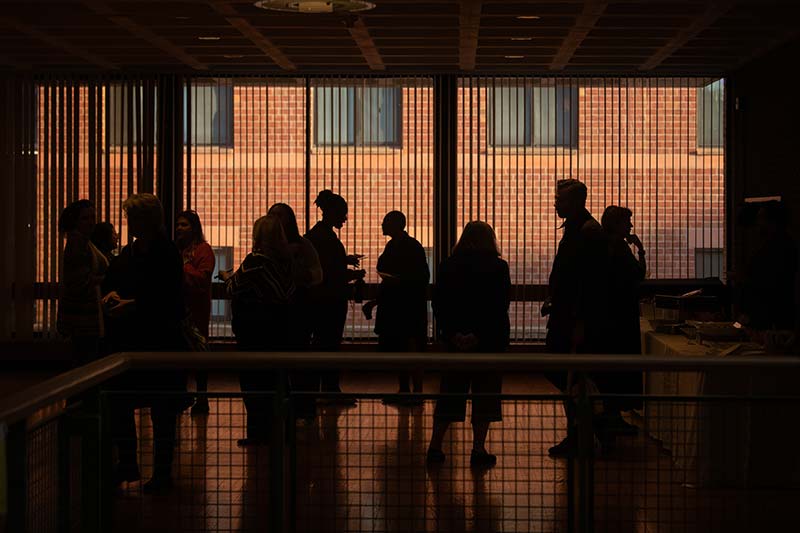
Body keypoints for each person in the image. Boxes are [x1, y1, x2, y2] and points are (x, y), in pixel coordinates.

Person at [102, 193, 188, 493]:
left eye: (133, 217)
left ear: (147, 220)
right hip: (138, 341)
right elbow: (113, 282)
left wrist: (131, 304)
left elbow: (168, 299)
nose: (130, 222)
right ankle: (131, 465)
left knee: (161, 412)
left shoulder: (162, 254)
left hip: (156, 342)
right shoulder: (137, 252)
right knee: (126, 405)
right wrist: (111, 296)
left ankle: (157, 472)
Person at [427, 221, 510, 469]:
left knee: (449, 394)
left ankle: (435, 446)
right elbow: (498, 306)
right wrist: (479, 336)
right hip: (488, 344)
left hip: (455, 343)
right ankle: (478, 449)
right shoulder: (498, 267)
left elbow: (440, 304)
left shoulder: (448, 266)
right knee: (485, 396)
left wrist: (453, 334)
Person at [542, 179, 610, 457]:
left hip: (575, 320)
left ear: (577, 201)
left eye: (561, 199)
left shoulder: (586, 232)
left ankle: (584, 434)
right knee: (571, 377)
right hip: (568, 316)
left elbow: (588, 283)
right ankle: (584, 433)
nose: (556, 203)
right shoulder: (580, 228)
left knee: (574, 377)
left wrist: (579, 321)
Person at [224, 215, 295, 446]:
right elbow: (286, 292)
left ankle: (257, 432)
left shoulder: (255, 262)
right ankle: (281, 430)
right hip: (280, 331)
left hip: (252, 334)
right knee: (278, 383)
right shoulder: (287, 261)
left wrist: (227, 277)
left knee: (253, 385)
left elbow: (233, 287)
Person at [362, 211, 429, 405]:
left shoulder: (407, 247)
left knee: (409, 347)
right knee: (404, 347)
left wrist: (398, 282)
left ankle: (414, 391)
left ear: (396, 225)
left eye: (385, 222)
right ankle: (407, 390)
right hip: (404, 305)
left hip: (407, 306)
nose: (382, 225)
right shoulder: (403, 246)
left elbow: (421, 277)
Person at [305, 190, 365, 405]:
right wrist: (353, 274)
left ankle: (322, 389)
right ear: (332, 212)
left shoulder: (317, 236)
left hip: (320, 301)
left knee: (323, 344)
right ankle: (330, 389)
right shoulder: (325, 238)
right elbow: (329, 272)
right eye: (343, 213)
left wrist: (343, 260)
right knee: (329, 344)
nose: (345, 218)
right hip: (328, 303)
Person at [267, 203, 323, 421]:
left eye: (280, 215)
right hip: (276, 313)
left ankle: (304, 407)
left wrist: (300, 276)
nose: (276, 220)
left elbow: (317, 274)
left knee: (299, 362)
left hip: (298, 311)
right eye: (272, 215)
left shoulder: (303, 245)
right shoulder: (267, 249)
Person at [598, 205, 646, 435]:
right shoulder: (619, 247)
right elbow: (637, 275)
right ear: (617, 225)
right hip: (622, 317)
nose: (631, 227)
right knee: (620, 368)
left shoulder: (605, 246)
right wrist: (641, 250)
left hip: (609, 316)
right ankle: (613, 416)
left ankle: (611, 415)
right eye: (627, 223)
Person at [175, 210, 216, 416]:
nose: (179, 228)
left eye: (184, 225)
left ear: (194, 228)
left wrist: (183, 268)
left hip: (196, 311)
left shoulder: (203, 250)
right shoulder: (177, 251)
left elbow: (203, 278)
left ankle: (202, 396)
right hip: (180, 311)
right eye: (178, 225)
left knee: (200, 354)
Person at [57, 199, 106, 365]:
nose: (91, 222)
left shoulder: (85, 241)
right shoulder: (78, 243)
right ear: (75, 221)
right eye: (85, 218)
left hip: (85, 316)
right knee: (86, 364)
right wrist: (109, 277)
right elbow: (80, 282)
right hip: (82, 318)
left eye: (93, 217)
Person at [739, 201, 798, 334]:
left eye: (761, 218)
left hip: (771, 322)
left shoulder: (780, 248)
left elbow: (770, 285)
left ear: (773, 221)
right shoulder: (773, 245)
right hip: (764, 318)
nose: (757, 223)